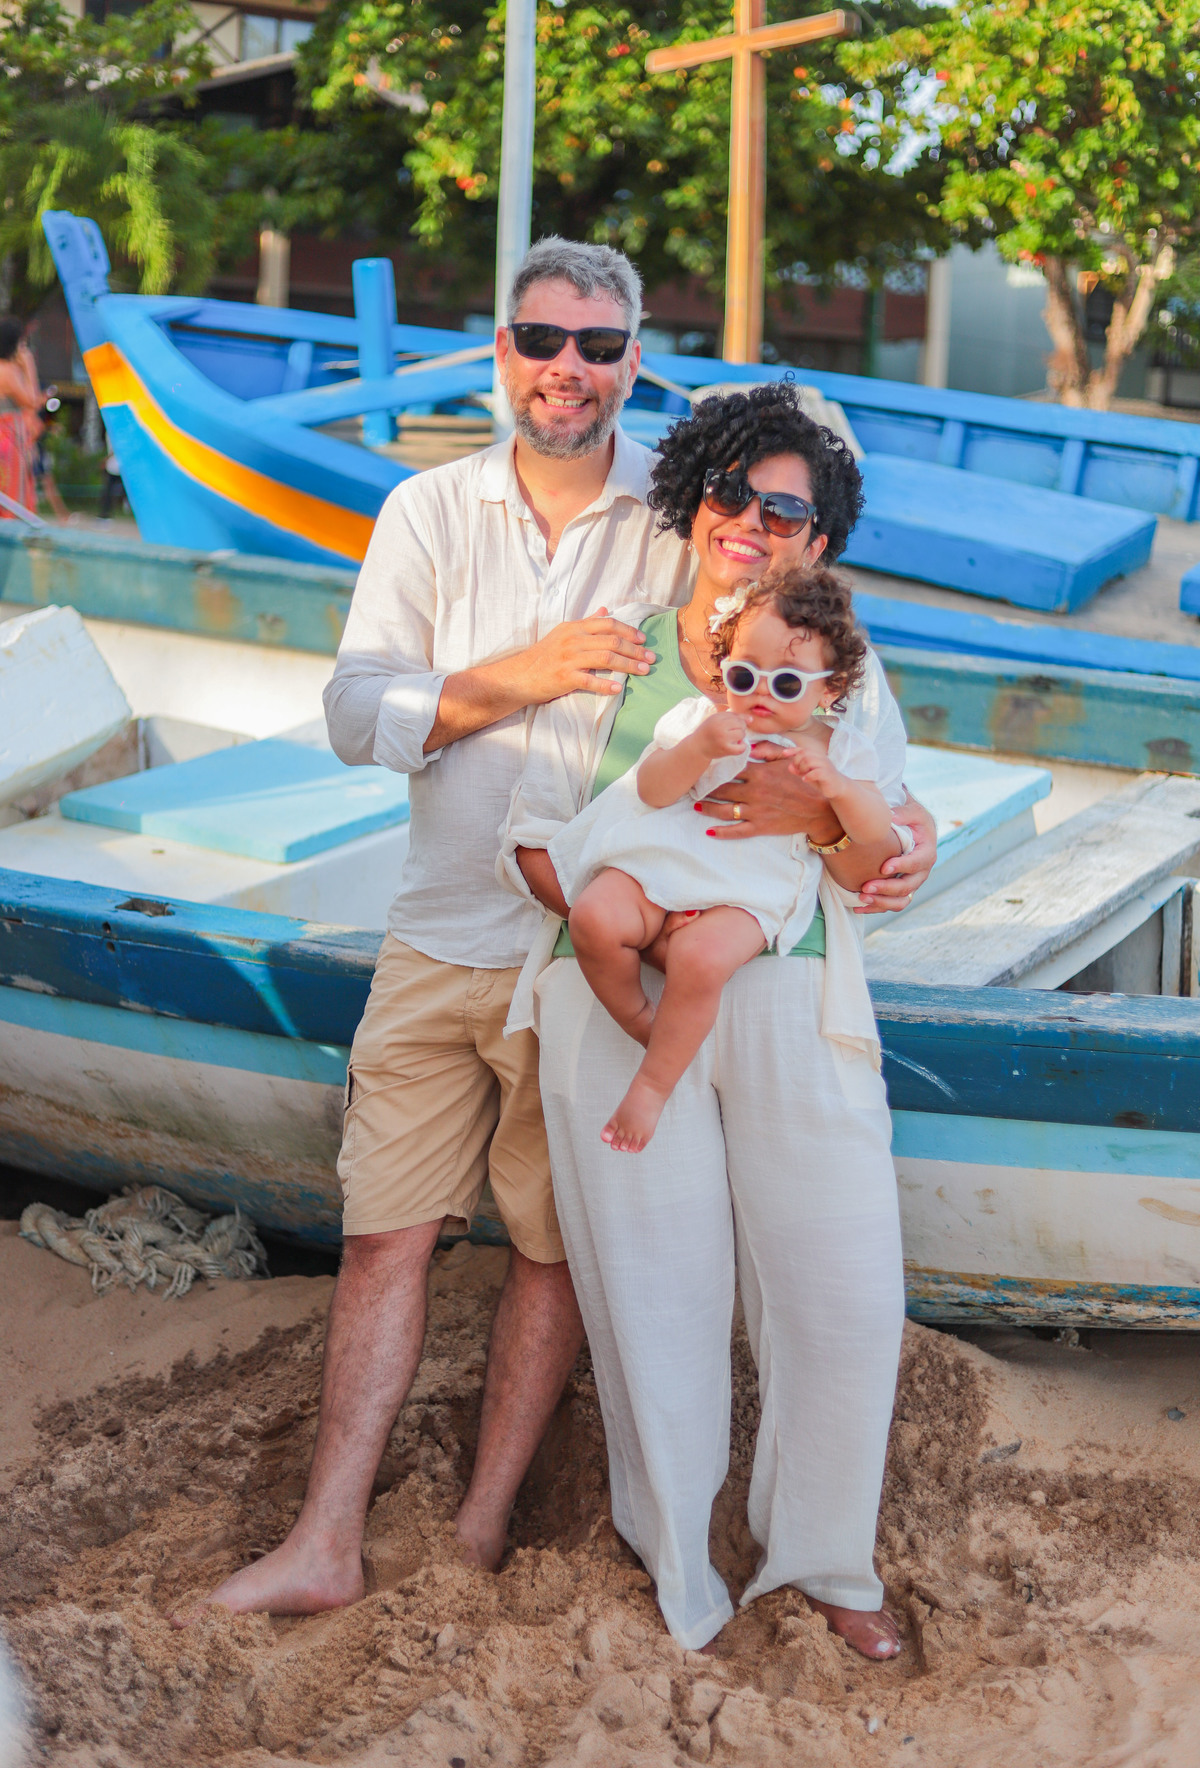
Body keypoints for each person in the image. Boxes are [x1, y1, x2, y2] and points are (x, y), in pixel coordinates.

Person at [185, 245, 935, 1623]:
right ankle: (353, 1544)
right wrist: (531, 689)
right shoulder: (449, 521)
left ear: (636, 361)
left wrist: (897, 825)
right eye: (541, 338)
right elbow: (397, 735)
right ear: (500, 349)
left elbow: (850, 733)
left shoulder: (723, 553)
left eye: (597, 346)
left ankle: (551, 1540)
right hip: (477, 944)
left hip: (673, 986)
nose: (567, 367)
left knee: (620, 1269)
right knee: (449, 1253)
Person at [502, 382, 916, 1659]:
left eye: (782, 507)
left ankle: (830, 1561)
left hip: (790, 996)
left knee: (845, 1291)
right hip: (620, 1005)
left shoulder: (847, 673)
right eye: (730, 492)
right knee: (654, 1292)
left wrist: (841, 821)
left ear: (820, 540)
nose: (749, 519)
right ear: (694, 500)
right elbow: (531, 841)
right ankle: (681, 1569)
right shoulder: (611, 645)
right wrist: (654, 931)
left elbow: (880, 858)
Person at [555, 561, 905, 1150]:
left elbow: (875, 828)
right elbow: (652, 790)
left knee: (700, 958)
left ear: (832, 687)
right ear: (724, 671)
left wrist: (839, 789)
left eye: (788, 683)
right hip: (660, 867)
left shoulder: (842, 749)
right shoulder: (701, 720)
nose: (762, 694)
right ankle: (644, 1023)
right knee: (593, 915)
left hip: (748, 890)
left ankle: (652, 1087)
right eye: (744, 676)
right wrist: (696, 749)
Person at [0, 317, 40, 519]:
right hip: (8, 438)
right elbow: (31, 401)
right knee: (12, 494)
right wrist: (28, 367)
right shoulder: (6, 371)